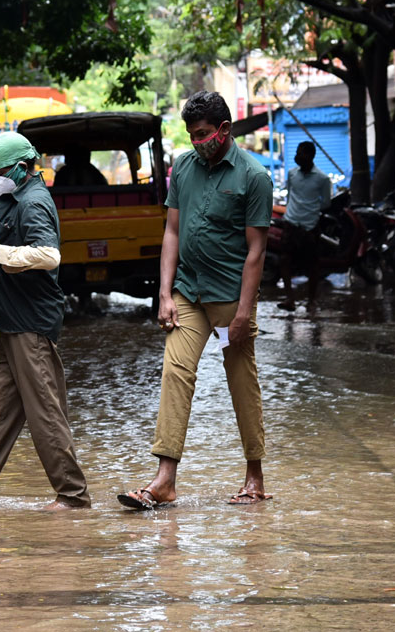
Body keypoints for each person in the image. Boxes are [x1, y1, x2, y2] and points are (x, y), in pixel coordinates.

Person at [118, 90, 273, 509]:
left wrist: (244, 312)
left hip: (229, 298)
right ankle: (164, 480)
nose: (197, 141)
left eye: (203, 133)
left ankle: (254, 476)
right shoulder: (183, 167)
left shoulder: (253, 176)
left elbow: (256, 252)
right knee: (175, 373)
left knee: (241, 381)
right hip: (188, 291)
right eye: (191, 134)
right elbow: (171, 232)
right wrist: (164, 294)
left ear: (224, 130)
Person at [0, 131, 91, 511]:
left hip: (31, 323)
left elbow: (49, 256)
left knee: (45, 413)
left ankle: (72, 495)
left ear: (20, 167)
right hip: (11, 320)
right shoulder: (11, 196)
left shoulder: (34, 202)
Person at [278, 141, 332, 311]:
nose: (297, 156)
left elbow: (326, 203)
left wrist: (309, 212)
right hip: (291, 223)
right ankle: (289, 299)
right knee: (284, 261)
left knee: (313, 265)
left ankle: (311, 301)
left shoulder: (322, 178)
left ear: (310, 156)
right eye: (297, 152)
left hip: (310, 227)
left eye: (301, 153)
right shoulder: (292, 174)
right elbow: (289, 197)